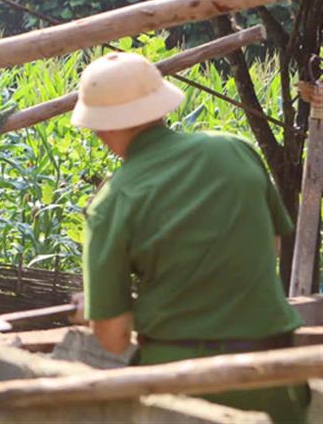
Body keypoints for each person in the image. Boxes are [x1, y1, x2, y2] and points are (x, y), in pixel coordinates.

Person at [71, 52, 309, 424]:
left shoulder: (112, 201)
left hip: (180, 383)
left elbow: (114, 337)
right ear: (161, 105)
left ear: (101, 128)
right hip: (272, 369)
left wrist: (102, 310)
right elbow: (271, 246)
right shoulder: (234, 149)